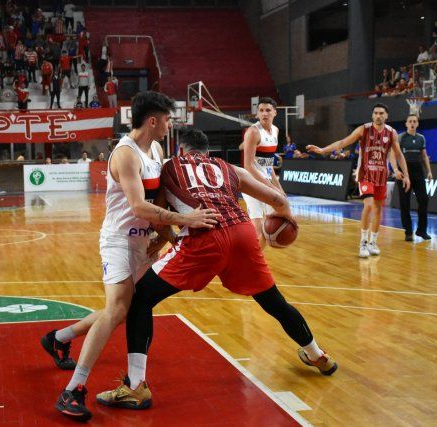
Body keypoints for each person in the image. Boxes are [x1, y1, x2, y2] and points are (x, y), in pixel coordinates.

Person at [96, 128, 337, 411]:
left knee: (140, 299)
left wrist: (168, 239)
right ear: (207, 152)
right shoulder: (227, 167)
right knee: (273, 301)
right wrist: (283, 223)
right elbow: (279, 201)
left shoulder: (169, 167)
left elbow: (159, 220)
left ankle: (135, 387)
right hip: (243, 233)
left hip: (205, 237)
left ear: (181, 151)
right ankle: (317, 355)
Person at [43, 91, 219, 422]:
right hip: (119, 241)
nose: (170, 124)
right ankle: (73, 389)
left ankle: (59, 338)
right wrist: (186, 221)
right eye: (167, 119)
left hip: (144, 241)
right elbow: (138, 206)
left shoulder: (156, 148)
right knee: (117, 311)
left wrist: (164, 233)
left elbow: (160, 198)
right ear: (153, 121)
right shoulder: (126, 154)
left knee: (129, 308)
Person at [307, 103, 410, 257]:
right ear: (372, 115)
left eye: (381, 113)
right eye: (375, 113)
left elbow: (399, 155)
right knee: (368, 206)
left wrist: (406, 175)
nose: (378, 116)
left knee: (378, 209)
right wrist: (323, 150)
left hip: (381, 175)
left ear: (386, 116)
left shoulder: (392, 133)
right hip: (365, 174)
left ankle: (373, 242)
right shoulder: (364, 129)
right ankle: (362, 242)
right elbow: (343, 142)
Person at [242, 97, 285, 248]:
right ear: (257, 114)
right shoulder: (253, 132)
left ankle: (254, 260)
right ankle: (252, 264)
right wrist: (271, 187)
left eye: (268, 110)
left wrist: (278, 187)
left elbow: (269, 165)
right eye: (261, 110)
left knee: (268, 230)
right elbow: (248, 166)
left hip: (266, 182)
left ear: (275, 112)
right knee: (259, 230)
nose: (264, 113)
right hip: (251, 184)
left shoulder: (275, 131)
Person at [393, 115, 432, 241]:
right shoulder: (400, 137)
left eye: (414, 121)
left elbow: (424, 156)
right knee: (405, 203)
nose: (412, 123)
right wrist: (396, 170)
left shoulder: (421, 138)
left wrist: (429, 171)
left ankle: (421, 230)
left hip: (418, 171)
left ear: (417, 124)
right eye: (410, 121)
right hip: (404, 172)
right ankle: (408, 231)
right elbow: (393, 154)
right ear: (406, 124)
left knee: (423, 199)